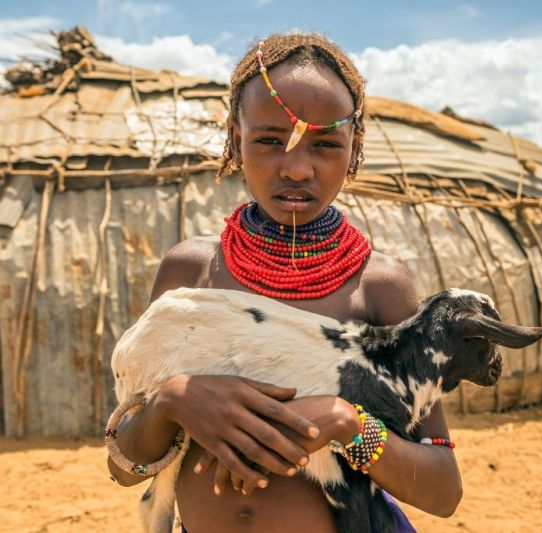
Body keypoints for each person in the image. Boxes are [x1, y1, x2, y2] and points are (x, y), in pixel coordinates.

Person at [106, 32, 462, 532]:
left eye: (326, 144)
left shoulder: (379, 287)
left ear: (354, 148)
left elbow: (444, 488)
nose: (296, 168)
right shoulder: (191, 274)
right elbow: (124, 466)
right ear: (235, 138)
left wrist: (343, 422)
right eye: (270, 140)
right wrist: (175, 401)